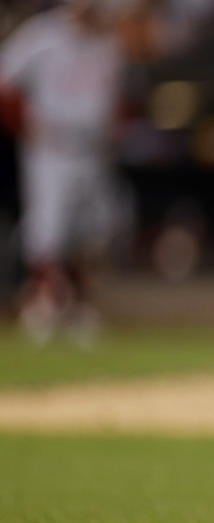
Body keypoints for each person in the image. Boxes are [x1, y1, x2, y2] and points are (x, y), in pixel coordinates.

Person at [0, 0, 127, 344]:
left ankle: (76, 305)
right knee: (48, 227)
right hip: (51, 147)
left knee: (93, 230)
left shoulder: (108, 41)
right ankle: (42, 304)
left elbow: (116, 97)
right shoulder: (42, 36)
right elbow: (5, 83)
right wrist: (25, 125)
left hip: (93, 149)